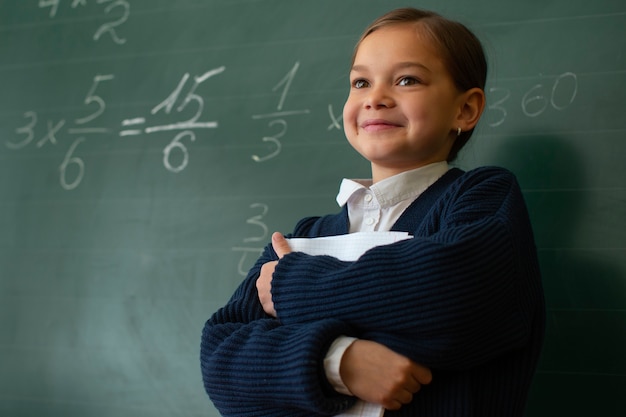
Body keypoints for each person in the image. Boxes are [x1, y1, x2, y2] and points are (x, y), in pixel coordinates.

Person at [200, 7, 545, 417]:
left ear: (465, 110)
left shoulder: (481, 198)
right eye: (360, 82)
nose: (375, 98)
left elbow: (452, 293)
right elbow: (222, 360)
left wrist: (292, 290)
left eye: (407, 80)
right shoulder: (307, 234)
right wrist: (339, 363)